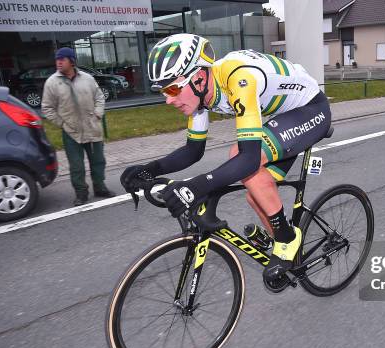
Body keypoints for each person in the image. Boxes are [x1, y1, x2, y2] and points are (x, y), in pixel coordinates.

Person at [120, 34, 331, 281]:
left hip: (310, 109)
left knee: (240, 157)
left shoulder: (238, 77)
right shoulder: (202, 94)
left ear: (198, 78)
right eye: (163, 91)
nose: (168, 99)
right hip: (284, 115)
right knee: (258, 195)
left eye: (173, 88)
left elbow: (248, 159)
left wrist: (194, 187)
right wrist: (150, 169)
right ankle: (288, 253)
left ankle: (287, 239)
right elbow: (193, 150)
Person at [42, 47, 115, 206]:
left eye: (63, 59)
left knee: (98, 161)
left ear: (72, 61)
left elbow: (99, 97)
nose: (59, 62)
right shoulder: (52, 82)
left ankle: (100, 187)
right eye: (57, 59)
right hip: (71, 132)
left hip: (92, 128)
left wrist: (98, 113)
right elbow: (47, 108)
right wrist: (62, 123)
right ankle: (81, 193)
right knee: (76, 166)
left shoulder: (87, 78)